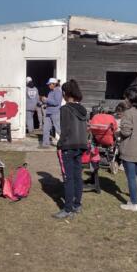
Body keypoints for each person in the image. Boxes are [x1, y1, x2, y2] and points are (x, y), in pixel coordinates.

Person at [54, 79, 87, 219]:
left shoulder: (65, 109)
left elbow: (65, 130)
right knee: (77, 176)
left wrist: (59, 143)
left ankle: (68, 209)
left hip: (69, 146)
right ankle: (77, 204)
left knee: (68, 178)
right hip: (81, 145)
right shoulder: (83, 110)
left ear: (66, 93)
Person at [41, 77, 62, 147]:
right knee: (45, 128)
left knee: (58, 129)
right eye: (49, 84)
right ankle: (45, 144)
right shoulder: (50, 91)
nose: (49, 85)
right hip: (48, 112)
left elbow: (56, 102)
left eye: (50, 84)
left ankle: (65, 143)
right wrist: (44, 104)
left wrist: (46, 100)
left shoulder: (58, 91)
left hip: (55, 113)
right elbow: (50, 102)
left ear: (54, 84)